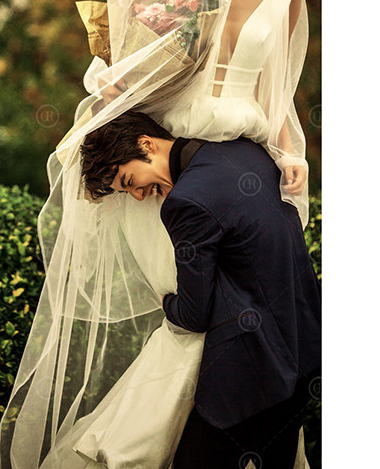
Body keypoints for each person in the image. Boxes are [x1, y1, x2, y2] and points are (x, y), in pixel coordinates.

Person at [0, 0, 315, 468]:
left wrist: (289, 153)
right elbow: (139, 59)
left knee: (238, 310)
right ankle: (154, 446)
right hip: (174, 169)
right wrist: (116, 81)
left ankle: (204, 444)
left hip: (239, 162)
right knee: (196, 311)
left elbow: (276, 91)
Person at [79, 110, 321, 468]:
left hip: (250, 374)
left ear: (146, 144)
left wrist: (167, 301)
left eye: (129, 181)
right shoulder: (247, 151)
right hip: (305, 350)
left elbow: (194, 315)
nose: (139, 196)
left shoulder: (186, 203)